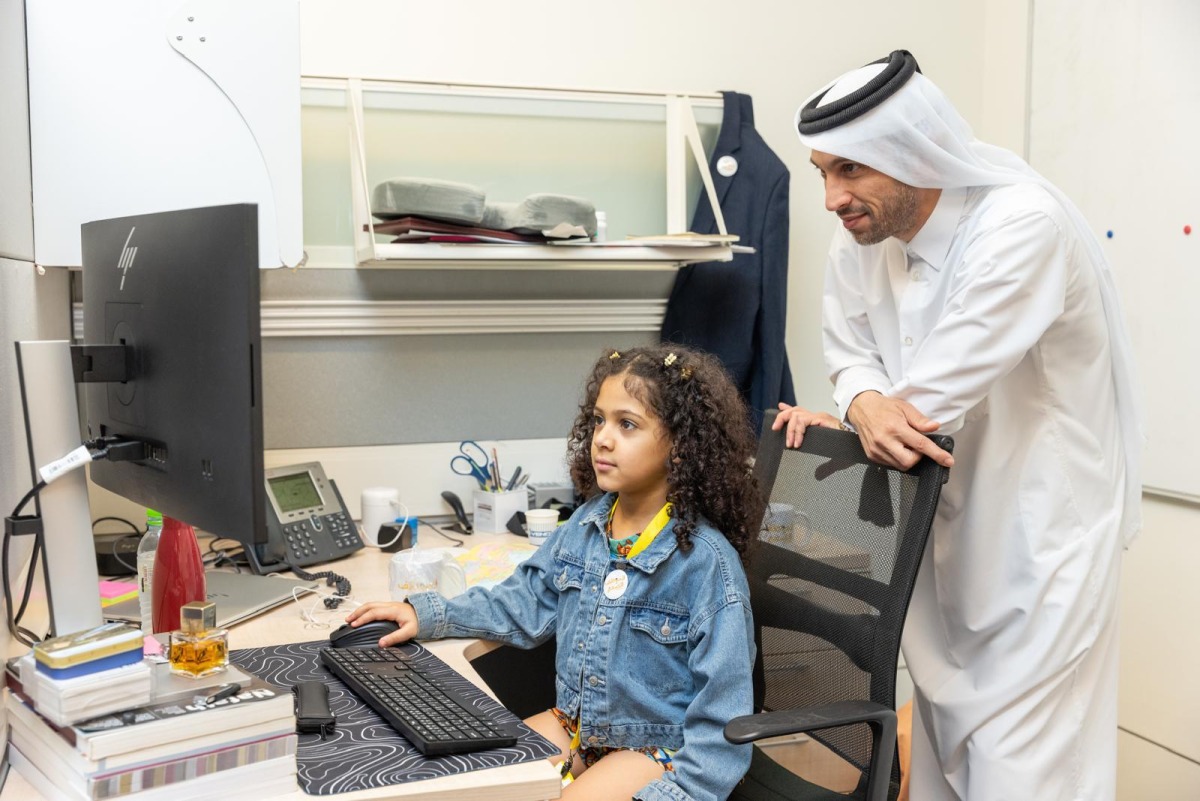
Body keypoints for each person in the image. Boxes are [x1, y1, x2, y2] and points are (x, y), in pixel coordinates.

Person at [776, 51, 1142, 800]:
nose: (832, 198)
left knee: (1024, 776)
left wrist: (860, 406)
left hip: (1041, 551)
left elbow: (919, 410)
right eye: (822, 173)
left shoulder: (1020, 225)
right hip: (937, 538)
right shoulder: (862, 236)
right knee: (943, 765)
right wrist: (859, 403)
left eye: (850, 169)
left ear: (911, 154)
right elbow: (849, 358)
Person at [347, 343, 763, 801]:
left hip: (663, 747)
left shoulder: (706, 564)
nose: (602, 438)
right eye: (599, 420)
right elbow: (521, 601)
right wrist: (428, 614)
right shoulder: (585, 525)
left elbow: (722, 725)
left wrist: (677, 792)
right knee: (479, 786)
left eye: (627, 424)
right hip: (580, 726)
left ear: (681, 446)